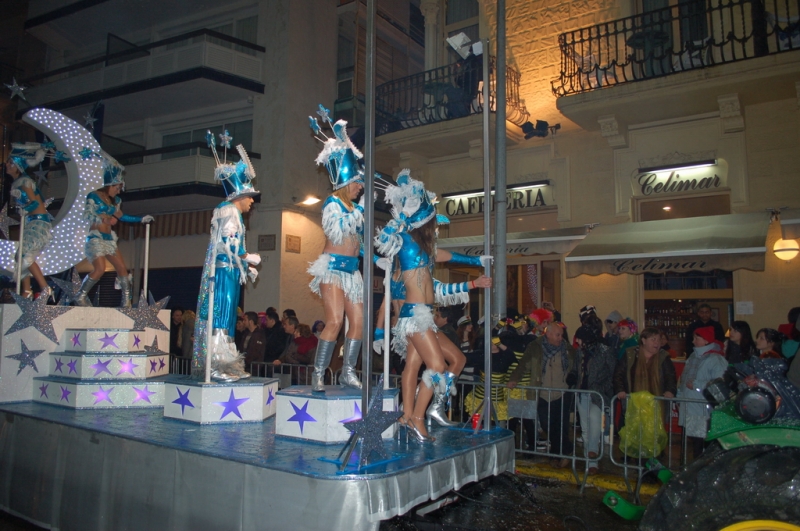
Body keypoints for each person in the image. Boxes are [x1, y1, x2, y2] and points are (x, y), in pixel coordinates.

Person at [375, 170, 490, 441]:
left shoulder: (426, 252)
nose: (436, 228)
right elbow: (383, 240)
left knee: (418, 365)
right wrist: (400, 219)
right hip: (413, 316)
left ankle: (409, 415)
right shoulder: (404, 242)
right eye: (434, 224)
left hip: (423, 315)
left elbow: (449, 257)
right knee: (436, 366)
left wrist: (477, 262)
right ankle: (417, 417)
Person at [307, 110, 367, 392]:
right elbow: (336, 232)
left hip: (353, 272)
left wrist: (377, 257)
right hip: (332, 269)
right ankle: (318, 373)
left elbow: (357, 244)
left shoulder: (354, 208)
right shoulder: (333, 203)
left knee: (359, 323)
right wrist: (359, 212)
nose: (361, 187)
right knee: (334, 321)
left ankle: (348, 372)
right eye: (358, 182)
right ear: (346, 182)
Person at [192, 141, 261, 382]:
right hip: (223, 273)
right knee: (221, 315)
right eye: (249, 197)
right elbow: (229, 242)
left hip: (229, 271)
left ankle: (227, 364)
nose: (252, 201)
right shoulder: (228, 210)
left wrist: (245, 266)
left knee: (229, 317)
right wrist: (245, 257)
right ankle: (216, 366)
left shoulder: (232, 213)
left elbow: (230, 244)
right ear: (239, 195)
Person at [76, 155, 154, 307]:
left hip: (109, 240)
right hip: (96, 238)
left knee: (122, 269)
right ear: (109, 185)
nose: (118, 191)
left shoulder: (115, 201)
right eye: (117, 188)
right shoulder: (94, 196)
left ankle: (126, 302)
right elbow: (87, 214)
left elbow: (122, 216)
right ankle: (80, 296)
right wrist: (104, 219)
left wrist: (140, 219)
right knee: (100, 269)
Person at [508, 321, 577, 467]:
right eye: (558, 335)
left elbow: (575, 367)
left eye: (561, 335)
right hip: (543, 393)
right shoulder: (535, 347)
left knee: (561, 425)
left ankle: (558, 454)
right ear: (548, 334)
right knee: (547, 424)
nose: (561, 338)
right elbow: (524, 364)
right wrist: (514, 378)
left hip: (563, 392)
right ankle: (566, 449)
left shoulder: (567, 349)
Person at [6, 143, 61, 301]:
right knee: (20, 256)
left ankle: (45, 288)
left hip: (38, 223)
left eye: (10, 162)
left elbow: (35, 203)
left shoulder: (24, 182)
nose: (7, 165)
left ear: (17, 166)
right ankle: (27, 290)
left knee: (25, 256)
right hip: (31, 222)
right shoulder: (19, 182)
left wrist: (24, 209)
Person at [678, 326, 727, 459]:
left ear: (706, 340)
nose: (693, 341)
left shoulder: (716, 359)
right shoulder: (693, 356)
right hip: (691, 405)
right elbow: (684, 378)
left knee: (702, 441)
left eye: (696, 338)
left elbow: (720, 383)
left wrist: (696, 384)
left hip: (703, 407)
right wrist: (680, 393)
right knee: (695, 440)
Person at [613, 327, 677, 402]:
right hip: (633, 401)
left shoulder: (663, 357)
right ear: (644, 340)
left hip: (657, 402)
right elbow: (618, 374)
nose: (657, 343)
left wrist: (670, 391)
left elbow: (670, 377)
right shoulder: (630, 355)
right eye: (653, 339)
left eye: (659, 340)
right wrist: (620, 390)